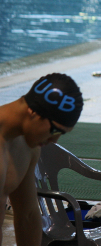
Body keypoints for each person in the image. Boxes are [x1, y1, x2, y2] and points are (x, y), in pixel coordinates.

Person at [0, 73, 83, 246]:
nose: (54, 140)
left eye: (62, 134)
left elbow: (27, 215)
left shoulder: (27, 148)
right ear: (33, 112)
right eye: (55, 131)